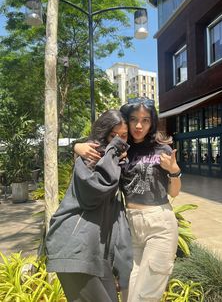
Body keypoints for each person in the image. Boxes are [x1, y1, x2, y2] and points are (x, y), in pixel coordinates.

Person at [74, 98, 182, 302]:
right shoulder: (119, 148)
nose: (139, 125)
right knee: (129, 289)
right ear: (127, 120)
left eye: (145, 120)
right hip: (128, 224)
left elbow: (174, 193)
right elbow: (91, 159)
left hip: (159, 223)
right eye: (133, 119)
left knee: (147, 293)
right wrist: (77, 146)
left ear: (152, 122)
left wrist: (174, 172)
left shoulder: (162, 149)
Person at [45, 110, 132, 302]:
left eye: (124, 136)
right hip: (74, 248)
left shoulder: (115, 163)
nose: (119, 141)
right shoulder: (90, 159)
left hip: (98, 255)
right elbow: (95, 191)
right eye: (113, 136)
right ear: (103, 135)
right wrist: (112, 149)